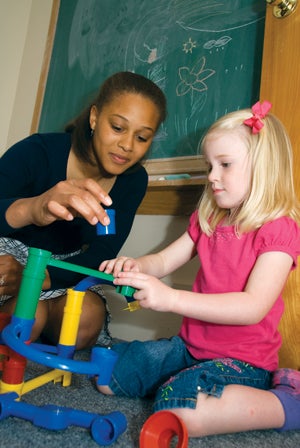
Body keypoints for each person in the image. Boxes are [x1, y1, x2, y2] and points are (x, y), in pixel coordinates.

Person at [97, 101, 300, 436]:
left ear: (263, 168)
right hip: (189, 349)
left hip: (243, 364)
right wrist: (136, 266)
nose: (212, 177)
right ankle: (182, 384)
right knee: (111, 376)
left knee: (177, 410)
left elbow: (252, 307)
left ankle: (284, 404)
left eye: (225, 165)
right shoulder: (208, 220)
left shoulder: (279, 230)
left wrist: (171, 299)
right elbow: (163, 260)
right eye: (210, 165)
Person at [0, 71, 167, 350]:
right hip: (11, 251)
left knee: (83, 320)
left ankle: (39, 323)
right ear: (94, 118)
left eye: (142, 137)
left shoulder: (133, 181)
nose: (127, 145)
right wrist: (34, 207)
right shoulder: (37, 152)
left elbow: (103, 251)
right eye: (117, 127)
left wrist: (39, 277)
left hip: (62, 269)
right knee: (28, 315)